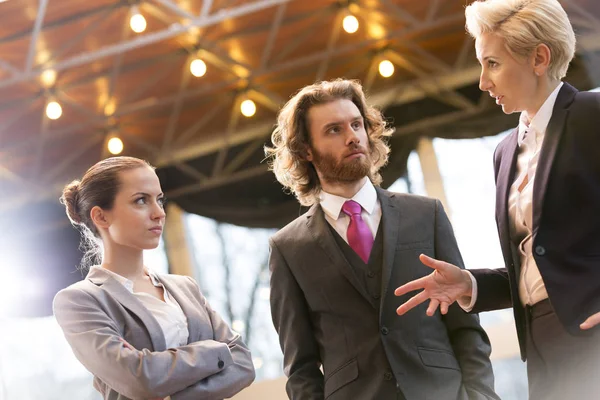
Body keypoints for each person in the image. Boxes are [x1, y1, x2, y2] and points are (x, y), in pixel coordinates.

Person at [394, 0, 600, 399]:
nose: (482, 82)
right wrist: (470, 284)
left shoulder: (595, 116)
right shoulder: (504, 152)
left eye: (492, 63)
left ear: (539, 58)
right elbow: (542, 262)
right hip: (542, 347)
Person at [264, 79, 499, 400]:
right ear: (306, 149)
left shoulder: (425, 214)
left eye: (357, 125)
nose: (352, 137)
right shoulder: (288, 248)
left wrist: (480, 396)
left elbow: (465, 326)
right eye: (334, 130)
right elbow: (300, 367)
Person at [53, 156, 255, 400]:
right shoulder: (79, 301)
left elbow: (243, 362)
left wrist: (171, 391)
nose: (159, 213)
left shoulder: (185, 287)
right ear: (101, 217)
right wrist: (216, 351)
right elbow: (140, 378)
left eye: (159, 200)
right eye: (141, 200)